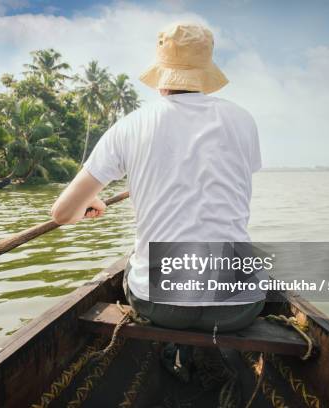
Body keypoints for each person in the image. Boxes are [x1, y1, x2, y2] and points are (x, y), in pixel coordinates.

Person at [51, 22, 264, 333]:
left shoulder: (131, 125)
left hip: (162, 305)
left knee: (134, 263)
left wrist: (91, 201)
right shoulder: (243, 120)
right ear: (206, 72)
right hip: (235, 308)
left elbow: (62, 214)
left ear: (162, 74)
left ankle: (174, 345)